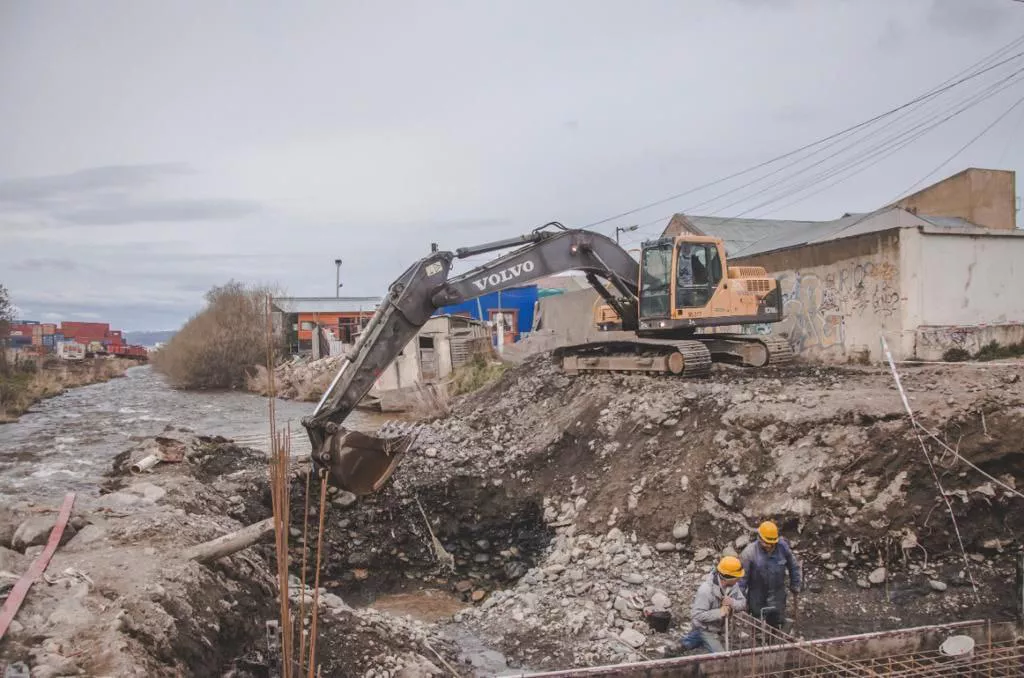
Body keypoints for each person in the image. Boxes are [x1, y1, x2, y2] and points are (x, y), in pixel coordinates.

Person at [677, 555, 747, 654]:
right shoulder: (706, 590)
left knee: (692, 642)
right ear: (728, 577)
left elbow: (743, 604)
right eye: (737, 577)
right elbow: (697, 615)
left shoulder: (733, 586)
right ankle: (680, 647)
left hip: (718, 628)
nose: (739, 579)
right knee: (721, 656)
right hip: (705, 628)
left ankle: (683, 644)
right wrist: (720, 612)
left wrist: (732, 602)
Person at [740, 521, 802, 630]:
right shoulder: (749, 553)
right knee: (757, 623)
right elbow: (742, 580)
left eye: (772, 543)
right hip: (757, 594)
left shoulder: (782, 547)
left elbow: (793, 566)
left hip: (777, 593)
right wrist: (740, 600)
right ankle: (759, 641)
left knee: (777, 622)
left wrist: (795, 584)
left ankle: (775, 640)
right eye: (766, 542)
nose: (769, 546)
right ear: (759, 538)